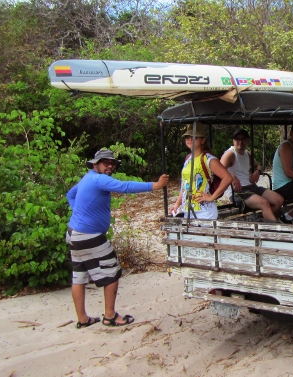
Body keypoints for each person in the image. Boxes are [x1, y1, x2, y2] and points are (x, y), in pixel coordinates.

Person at [66, 149, 169, 328]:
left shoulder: (87, 178)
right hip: (89, 235)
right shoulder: (98, 179)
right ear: (95, 164)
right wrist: (155, 185)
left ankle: (83, 320)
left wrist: (78, 214)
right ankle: (110, 316)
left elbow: (70, 195)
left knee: (79, 275)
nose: (110, 166)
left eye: (112, 163)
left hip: (74, 233)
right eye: (106, 162)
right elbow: (125, 187)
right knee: (112, 271)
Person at [169, 122, 233, 220]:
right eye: (187, 137)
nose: (189, 139)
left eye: (194, 137)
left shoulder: (208, 159)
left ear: (203, 140)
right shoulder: (188, 159)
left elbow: (228, 178)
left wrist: (212, 197)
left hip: (205, 212)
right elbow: (185, 185)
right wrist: (177, 204)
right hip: (188, 211)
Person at [220, 128, 283, 221]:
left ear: (247, 141)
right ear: (233, 141)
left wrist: (258, 172)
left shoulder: (247, 153)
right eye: (237, 139)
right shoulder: (230, 154)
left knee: (279, 200)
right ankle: (277, 230)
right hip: (238, 191)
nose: (240, 142)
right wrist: (232, 177)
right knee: (264, 204)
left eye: (243, 139)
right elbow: (218, 170)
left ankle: (265, 223)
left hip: (252, 187)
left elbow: (258, 166)